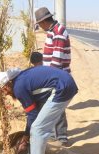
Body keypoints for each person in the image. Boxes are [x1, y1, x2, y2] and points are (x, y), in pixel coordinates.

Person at [0, 66, 78, 154]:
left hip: (62, 88)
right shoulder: (20, 79)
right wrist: (26, 135)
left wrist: (25, 138)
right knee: (39, 125)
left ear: (8, 84)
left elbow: (32, 115)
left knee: (38, 129)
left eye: (3, 90)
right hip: (65, 83)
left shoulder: (19, 88)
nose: (5, 94)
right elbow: (34, 111)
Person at [35, 7, 71, 145]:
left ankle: (61, 137)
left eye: (39, 24)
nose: (40, 26)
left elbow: (57, 58)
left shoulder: (59, 32)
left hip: (58, 75)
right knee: (51, 105)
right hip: (52, 74)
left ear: (44, 21)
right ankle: (53, 134)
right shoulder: (52, 32)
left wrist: (50, 79)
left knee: (57, 105)